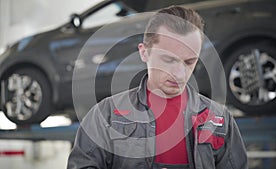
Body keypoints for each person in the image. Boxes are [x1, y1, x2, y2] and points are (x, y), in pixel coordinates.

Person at [67, 6, 248, 169]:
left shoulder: (220, 120)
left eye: (189, 62)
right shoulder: (105, 116)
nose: (179, 73)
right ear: (144, 52)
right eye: (168, 60)